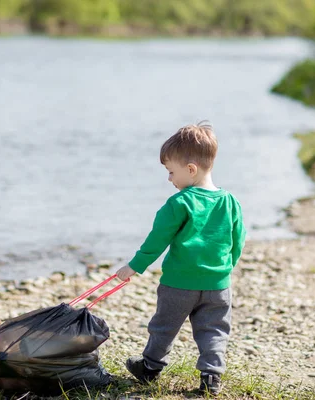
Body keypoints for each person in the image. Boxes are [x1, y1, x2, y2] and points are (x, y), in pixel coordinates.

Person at [115, 121, 246, 395]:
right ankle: (211, 377)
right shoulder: (230, 201)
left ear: (191, 169)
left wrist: (133, 267)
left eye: (171, 172)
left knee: (164, 326)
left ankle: (150, 368)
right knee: (214, 331)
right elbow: (238, 240)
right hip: (218, 285)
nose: (169, 179)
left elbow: (157, 240)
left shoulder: (179, 203)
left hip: (178, 284)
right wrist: (225, 269)